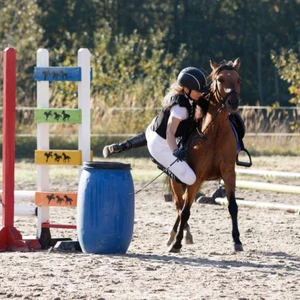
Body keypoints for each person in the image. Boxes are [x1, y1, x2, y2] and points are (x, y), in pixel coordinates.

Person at [103, 67, 208, 185]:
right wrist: (175, 151)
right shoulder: (180, 109)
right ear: (186, 89)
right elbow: (170, 132)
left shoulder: (187, 97)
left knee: (150, 135)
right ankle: (159, 161)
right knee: (190, 179)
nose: (201, 93)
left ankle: (122, 146)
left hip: (154, 128)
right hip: (160, 145)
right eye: (198, 91)